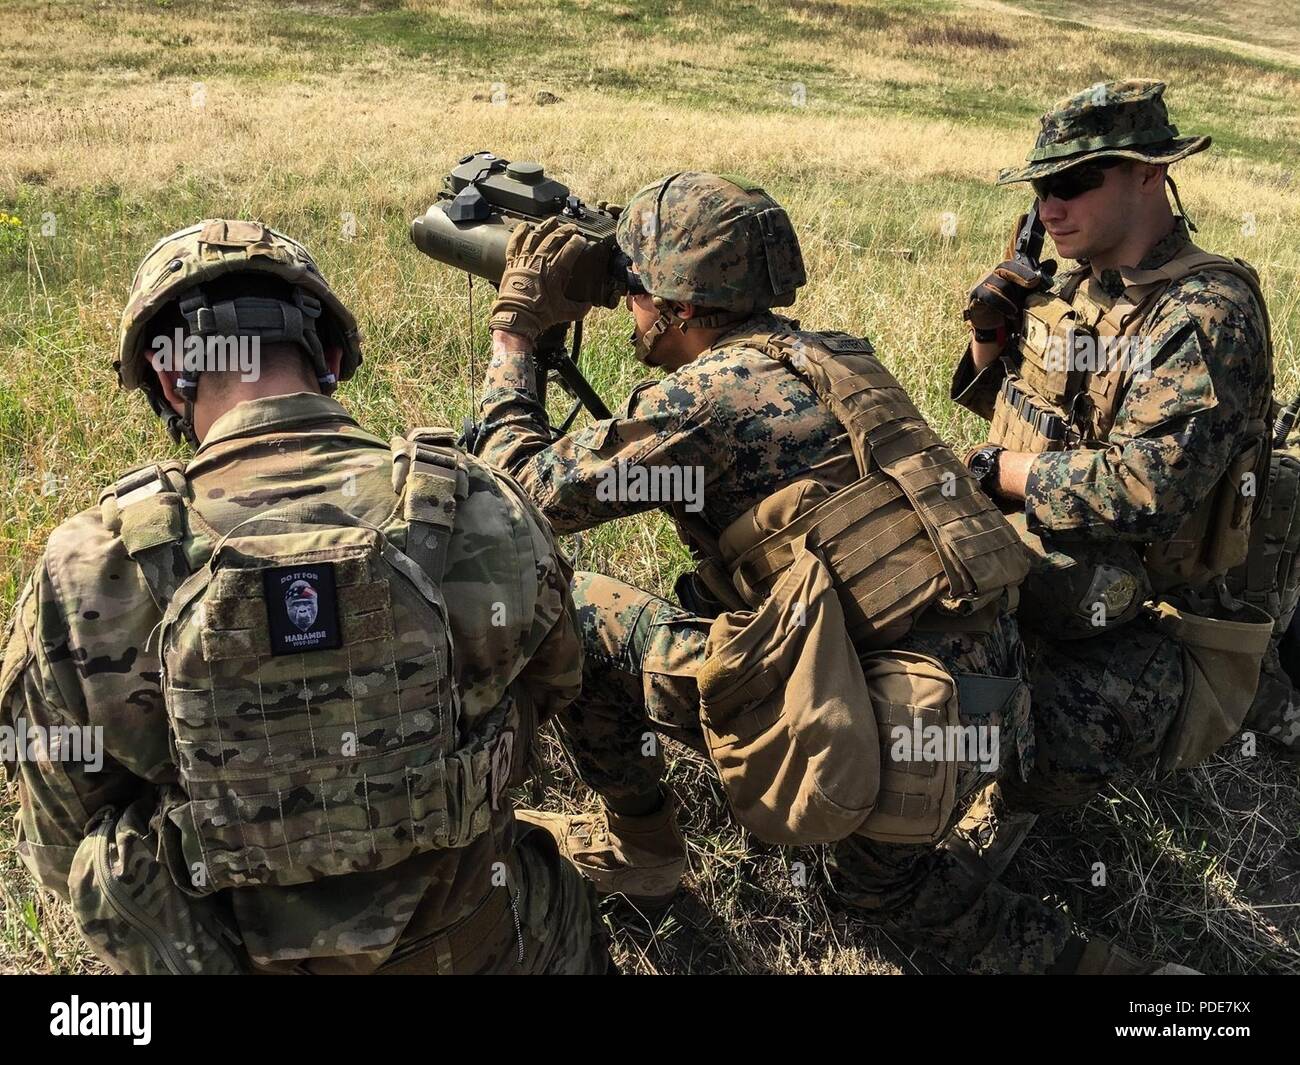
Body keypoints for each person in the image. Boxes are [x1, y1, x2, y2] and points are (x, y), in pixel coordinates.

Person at [470, 174, 1170, 972]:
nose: (628, 307)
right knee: (877, 888)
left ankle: (645, 848)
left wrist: (518, 333)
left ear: (682, 309)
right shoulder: (834, 353)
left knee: (581, 607)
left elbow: (514, 492)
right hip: (993, 702)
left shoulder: (705, 397)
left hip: (893, 733)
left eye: (635, 289)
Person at [0, 218, 606, 974]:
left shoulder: (85, 569)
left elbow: (60, 844)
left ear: (166, 379)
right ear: (331, 356)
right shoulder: (487, 507)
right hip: (485, 949)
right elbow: (553, 689)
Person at [955, 79, 1278, 812]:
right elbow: (1028, 419)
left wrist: (992, 472)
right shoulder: (1085, 285)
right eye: (1041, 188)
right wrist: (989, 338)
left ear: (1150, 173)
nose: (1049, 209)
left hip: (1167, 622)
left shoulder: (1205, 315)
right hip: (1079, 572)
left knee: (1011, 732)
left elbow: (1144, 491)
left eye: (1072, 182)